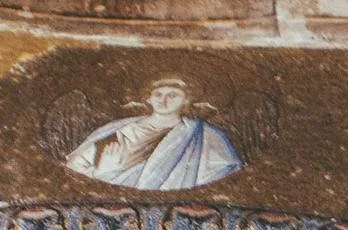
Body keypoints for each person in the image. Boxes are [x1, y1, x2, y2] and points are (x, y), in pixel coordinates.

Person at [64, 79, 244, 191]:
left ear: (186, 100)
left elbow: (226, 173)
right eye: (158, 94)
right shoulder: (117, 130)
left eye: (173, 95)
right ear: (148, 99)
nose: (163, 100)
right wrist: (103, 172)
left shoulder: (205, 136)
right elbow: (73, 169)